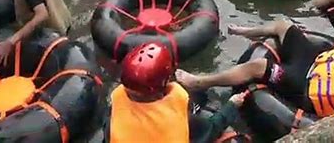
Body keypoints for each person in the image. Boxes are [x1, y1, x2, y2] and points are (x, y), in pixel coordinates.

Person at [176, 4, 334, 121]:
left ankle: (199, 80)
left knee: (258, 68)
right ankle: (245, 30)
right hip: (317, 62)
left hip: (308, 88)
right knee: (283, 25)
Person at [103, 42, 247, 143]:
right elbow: (210, 130)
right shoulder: (177, 117)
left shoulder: (115, 108)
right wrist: (232, 105)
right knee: (200, 99)